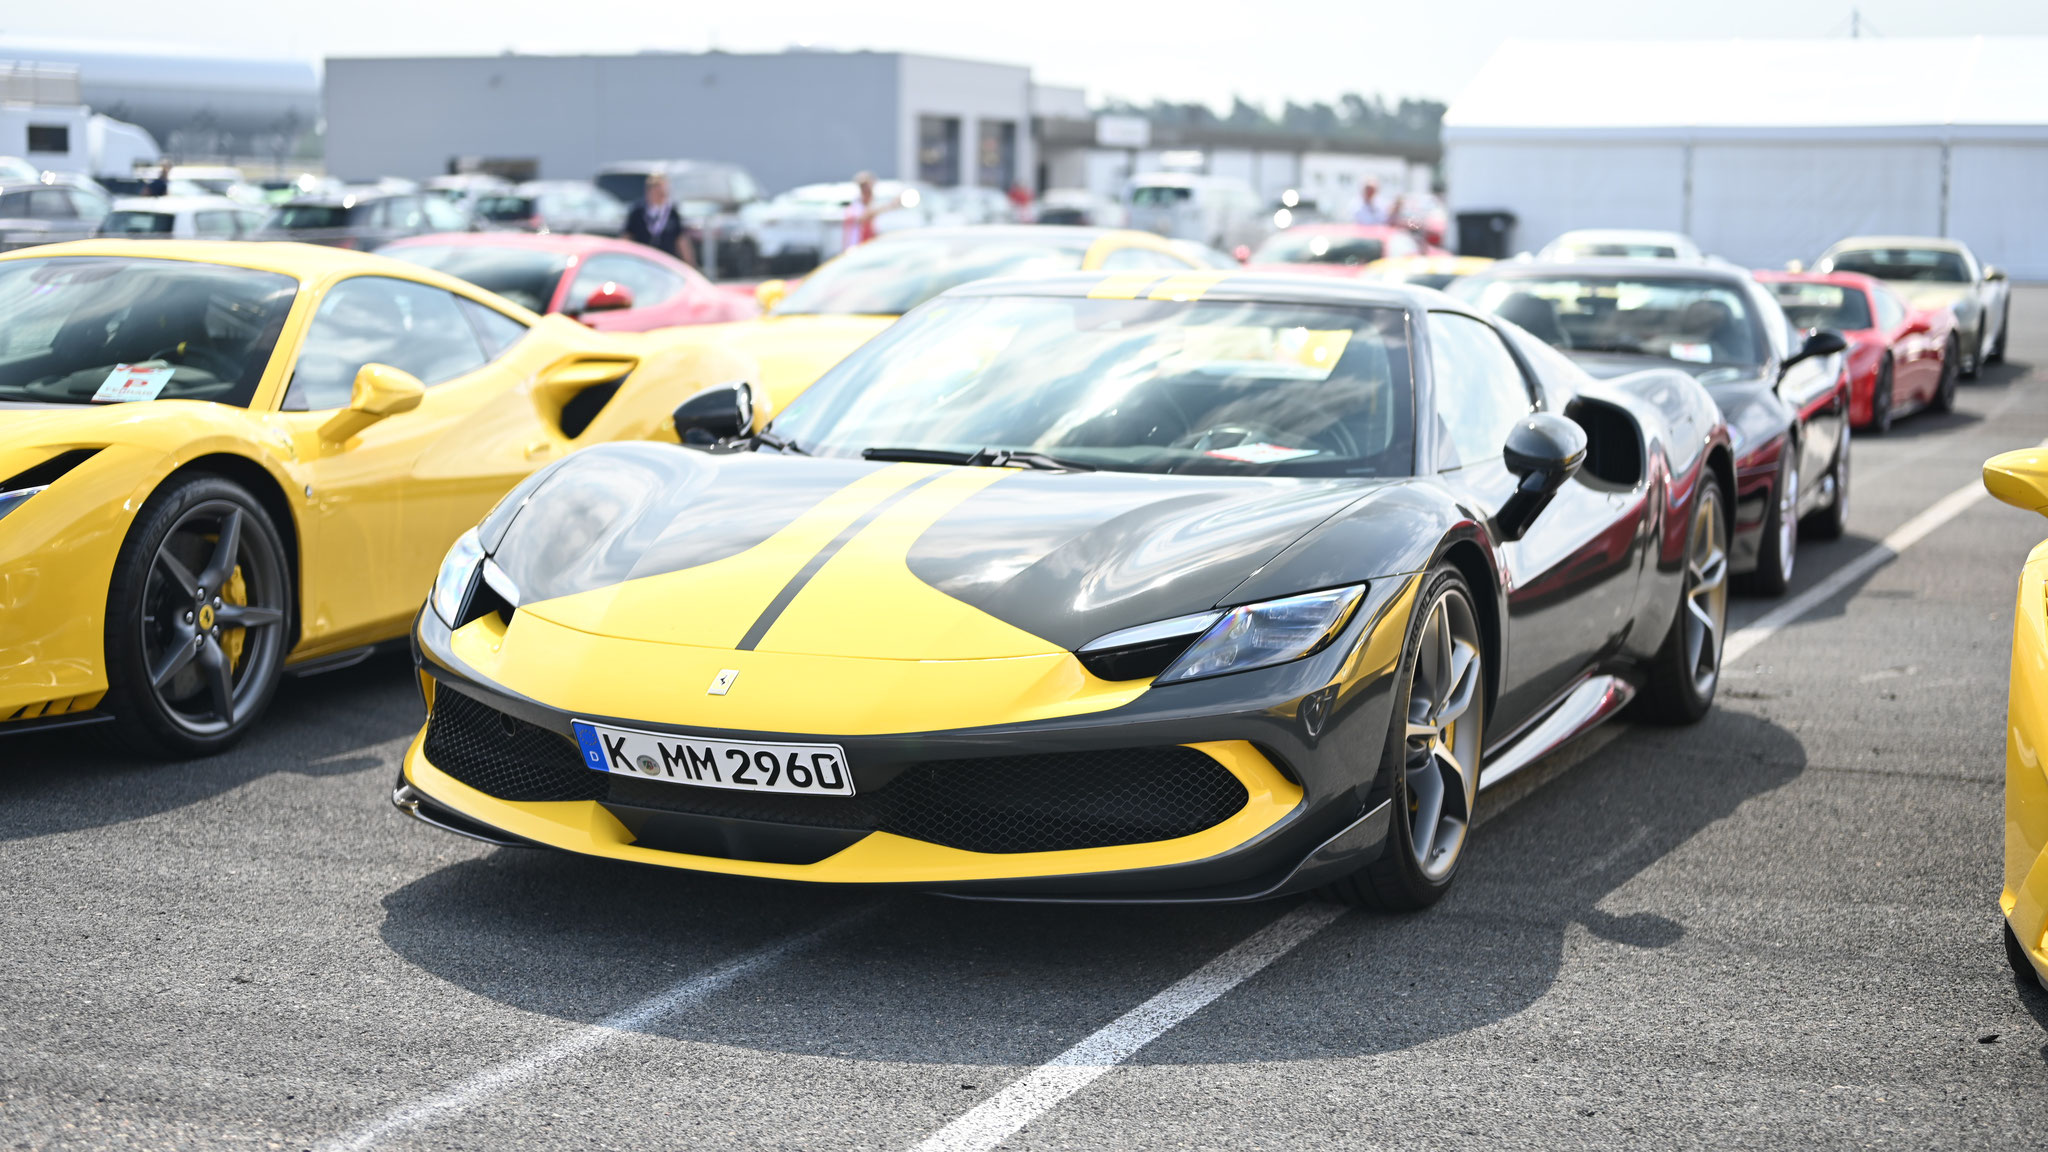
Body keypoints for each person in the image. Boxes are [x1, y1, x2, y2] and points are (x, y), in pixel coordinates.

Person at [624, 172, 697, 267]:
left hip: (666, 261)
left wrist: (690, 263)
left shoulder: (671, 212)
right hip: (643, 261)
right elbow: (627, 236)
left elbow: (680, 239)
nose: (661, 195)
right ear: (649, 191)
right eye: (657, 191)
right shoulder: (638, 211)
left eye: (663, 191)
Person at [841, 171, 905, 251]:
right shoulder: (854, 208)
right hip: (856, 251)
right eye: (867, 188)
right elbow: (865, 217)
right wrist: (891, 205)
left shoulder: (870, 206)